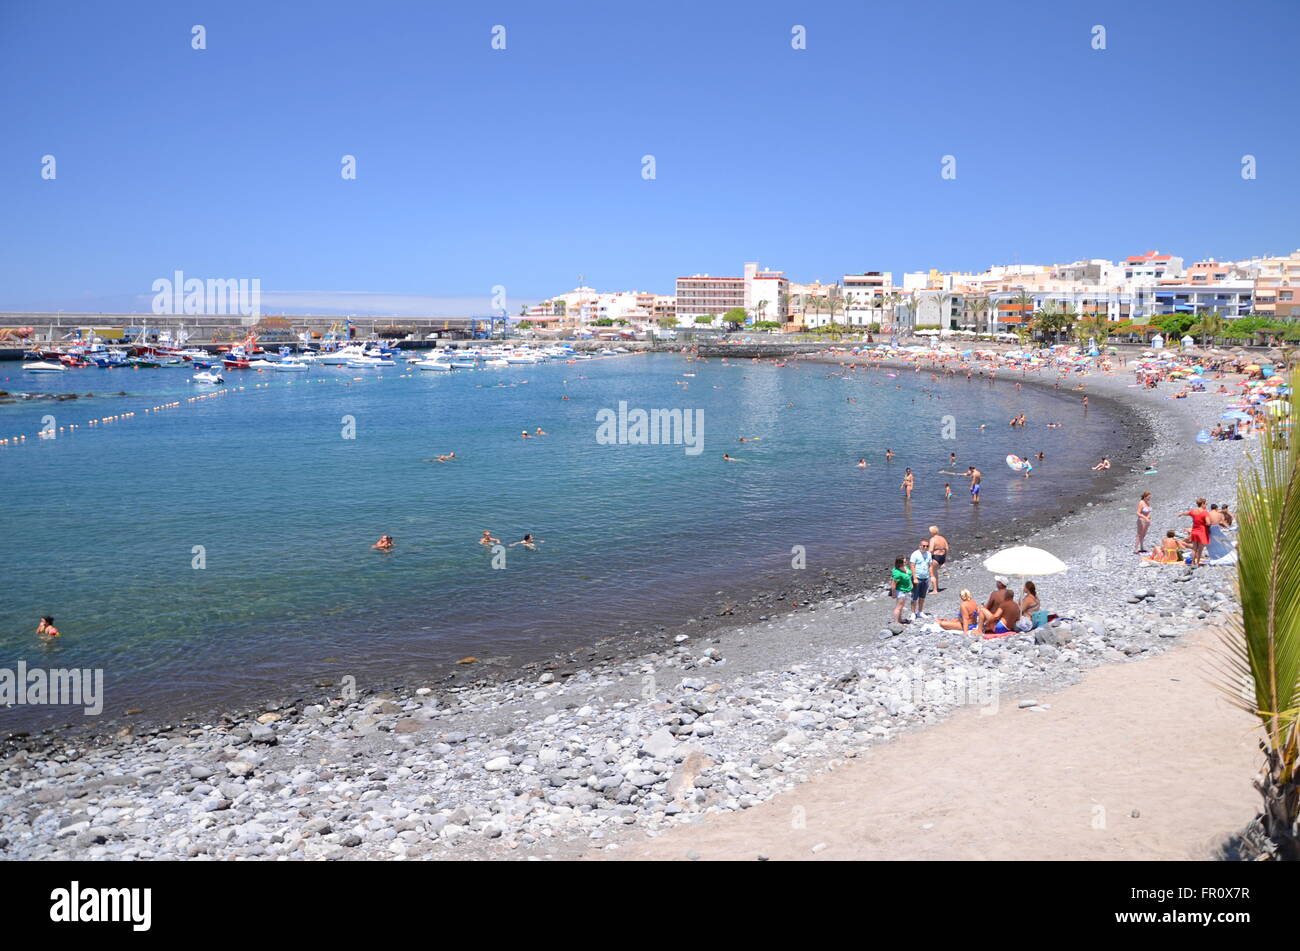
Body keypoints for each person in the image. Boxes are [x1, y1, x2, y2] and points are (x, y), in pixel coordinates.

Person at [1181, 498, 1210, 567]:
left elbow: (1187, 513)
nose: (1206, 505)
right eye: (1205, 504)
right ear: (1202, 504)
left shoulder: (1194, 511)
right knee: (1200, 549)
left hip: (1194, 532)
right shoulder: (1205, 512)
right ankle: (1197, 563)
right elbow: (1208, 523)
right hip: (1201, 532)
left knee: (1194, 548)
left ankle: (1192, 562)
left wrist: (1181, 514)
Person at [909, 539, 932, 616]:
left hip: (925, 578)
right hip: (917, 578)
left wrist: (931, 576)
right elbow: (912, 566)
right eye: (923, 546)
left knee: (922, 596)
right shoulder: (915, 554)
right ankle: (913, 613)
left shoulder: (929, 554)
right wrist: (914, 578)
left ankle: (920, 612)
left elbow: (929, 565)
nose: (925, 547)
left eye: (927, 546)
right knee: (914, 596)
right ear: (920, 546)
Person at [890, 556, 913, 624]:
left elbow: (908, 576)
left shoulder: (905, 567)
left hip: (906, 590)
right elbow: (893, 584)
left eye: (906, 561)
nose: (906, 563)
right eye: (904, 562)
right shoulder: (897, 573)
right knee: (898, 607)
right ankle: (896, 622)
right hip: (900, 591)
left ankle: (900, 620)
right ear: (900, 563)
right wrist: (893, 594)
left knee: (902, 606)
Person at [928, 526, 949, 592]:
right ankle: (937, 587)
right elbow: (947, 548)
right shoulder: (943, 538)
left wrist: (925, 555)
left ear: (931, 532)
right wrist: (945, 556)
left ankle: (934, 590)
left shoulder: (932, 539)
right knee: (935, 572)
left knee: (932, 572)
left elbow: (931, 549)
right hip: (942, 557)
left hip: (936, 557)